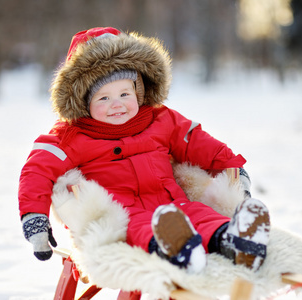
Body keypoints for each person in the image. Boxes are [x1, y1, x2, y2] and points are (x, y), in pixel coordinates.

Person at [19, 27, 270, 273]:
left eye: (124, 93)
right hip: (124, 212)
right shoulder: (71, 136)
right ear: (84, 103)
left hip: (173, 203)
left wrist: (232, 168)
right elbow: (38, 170)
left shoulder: (161, 119)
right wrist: (35, 219)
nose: (116, 105)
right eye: (103, 98)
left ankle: (234, 240)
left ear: (139, 93)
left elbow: (198, 143)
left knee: (202, 215)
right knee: (139, 228)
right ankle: (175, 250)